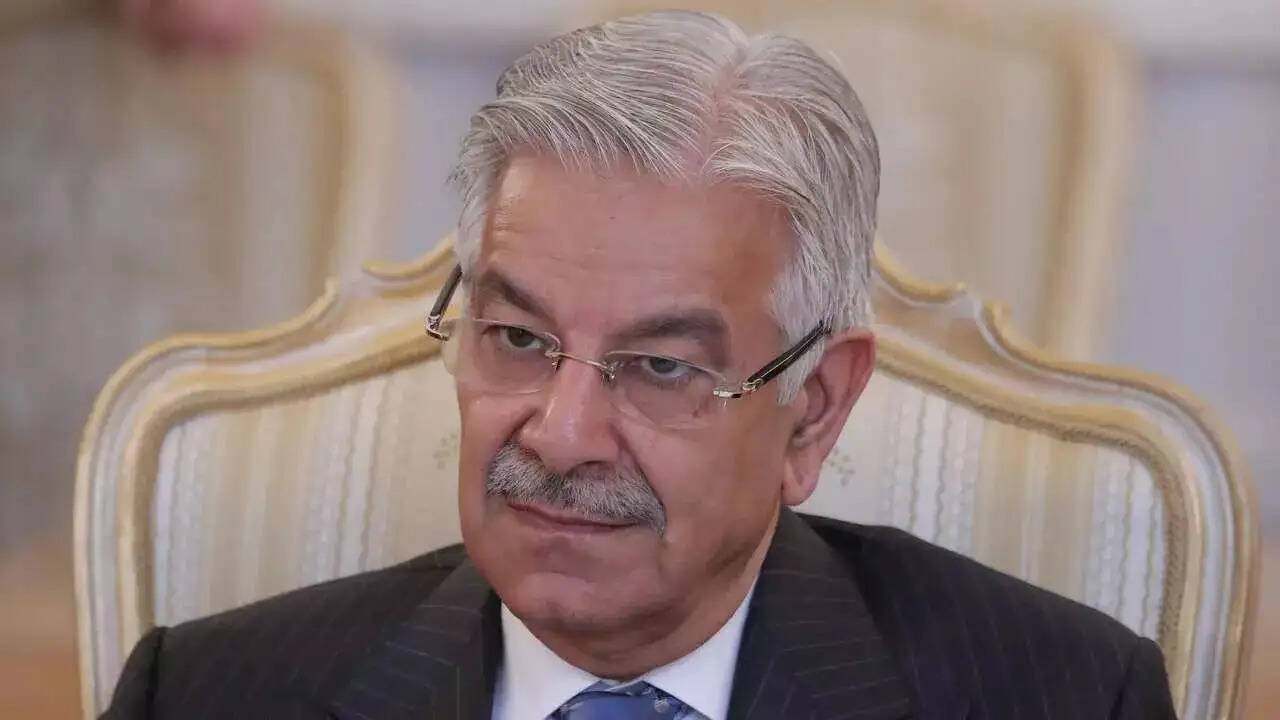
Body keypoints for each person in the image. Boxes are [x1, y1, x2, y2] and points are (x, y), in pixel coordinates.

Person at [101, 11, 1175, 720]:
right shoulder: (208, 694)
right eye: (519, 341)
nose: (560, 435)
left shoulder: (1063, 695)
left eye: (658, 367)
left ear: (813, 410)